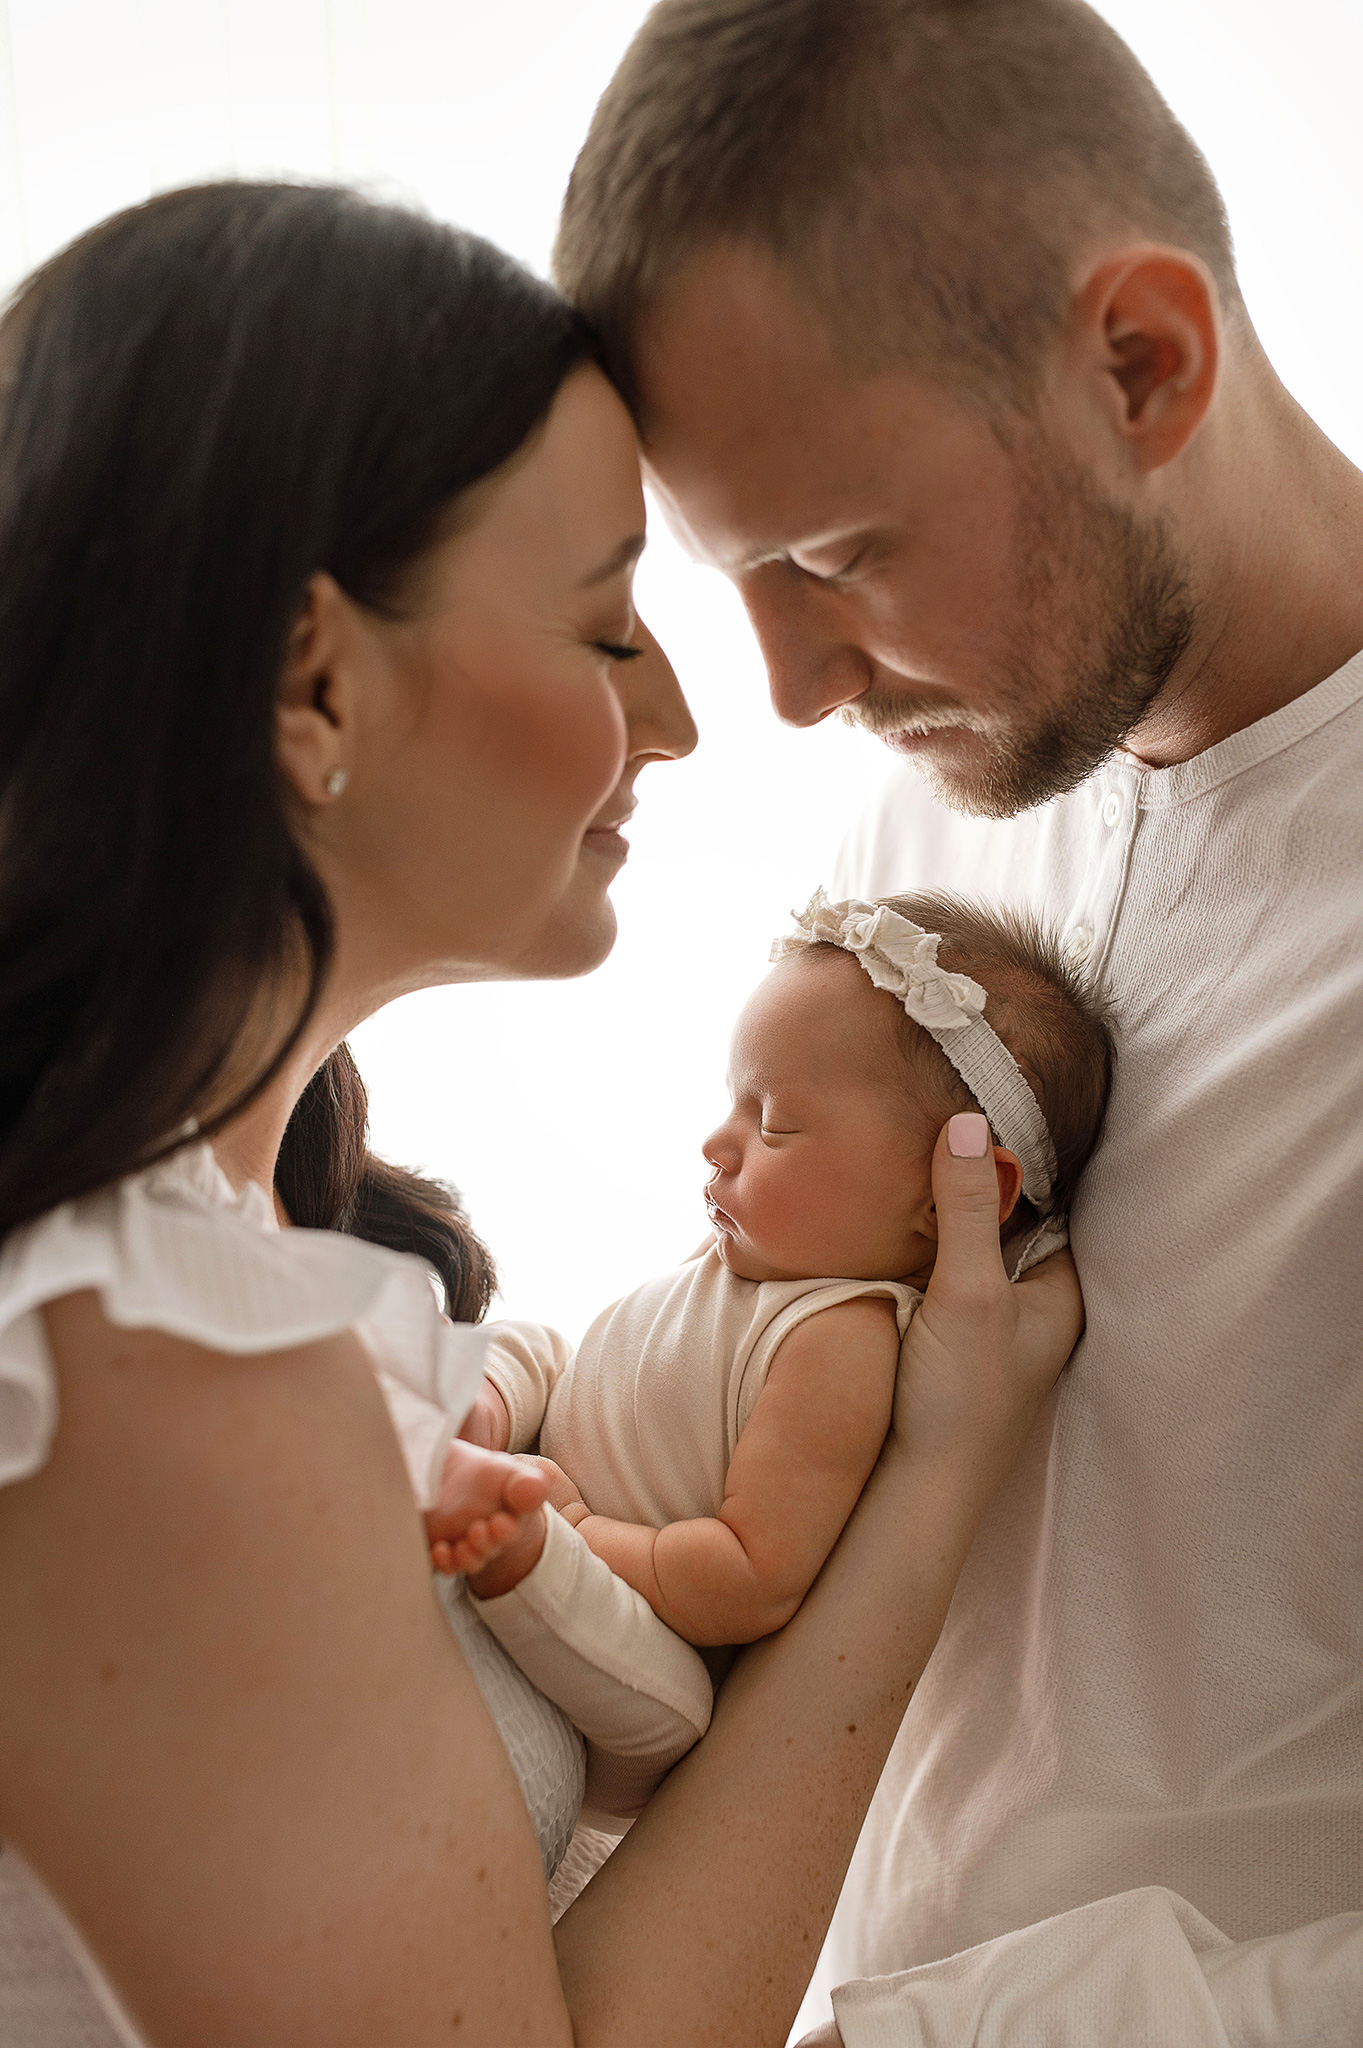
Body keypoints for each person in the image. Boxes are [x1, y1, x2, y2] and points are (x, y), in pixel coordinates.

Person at [0, 179, 1082, 2047]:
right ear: (311, 681)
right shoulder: (143, 1370)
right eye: (605, 624)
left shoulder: (244, 1263)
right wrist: (929, 1485)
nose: (674, 714)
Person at [553, 0, 1363, 2041]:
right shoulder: (952, 793)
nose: (793, 685)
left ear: (1139, 365)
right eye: (734, 575)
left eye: (833, 553)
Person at [419, 889, 1110, 1693]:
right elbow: (610, 1376)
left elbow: (749, 1580)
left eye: (774, 1124)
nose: (717, 1143)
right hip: (557, 1501)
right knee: (536, 1347)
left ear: (943, 1196)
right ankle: (482, 1409)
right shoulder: (744, 1260)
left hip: (638, 1657)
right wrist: (520, 1404)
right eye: (731, 1104)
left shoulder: (838, 1341)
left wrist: (570, 1532)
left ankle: (505, 1524)